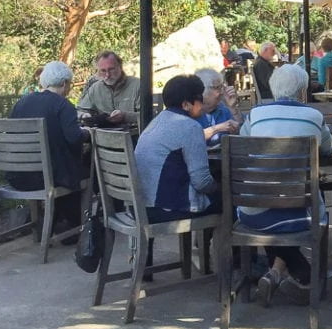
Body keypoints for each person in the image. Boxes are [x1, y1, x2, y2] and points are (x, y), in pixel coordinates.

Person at [239, 63, 332, 306]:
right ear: (303, 92)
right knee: (301, 207)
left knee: (276, 204)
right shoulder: (313, 116)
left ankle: (277, 272)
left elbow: (242, 142)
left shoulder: (255, 114)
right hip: (298, 214)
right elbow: (329, 148)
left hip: (252, 213)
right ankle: (305, 277)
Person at [9, 61, 90, 232]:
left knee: (60, 165)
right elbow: (74, 138)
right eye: (70, 84)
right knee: (87, 171)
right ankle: (73, 228)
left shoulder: (21, 103)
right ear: (64, 83)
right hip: (46, 179)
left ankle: (49, 224)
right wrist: (87, 133)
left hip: (17, 177)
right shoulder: (63, 105)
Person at [134, 74, 220, 223]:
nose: (203, 101)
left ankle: (202, 245)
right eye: (200, 98)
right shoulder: (190, 127)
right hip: (166, 209)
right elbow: (202, 182)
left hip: (140, 206)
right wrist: (219, 186)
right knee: (228, 201)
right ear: (186, 104)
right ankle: (216, 246)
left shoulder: (156, 121)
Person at [77, 51, 140, 129]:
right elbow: (80, 110)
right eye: (103, 71)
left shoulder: (137, 85)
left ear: (120, 67)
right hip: (102, 136)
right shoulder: (95, 88)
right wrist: (84, 115)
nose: (107, 75)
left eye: (111, 69)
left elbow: (148, 115)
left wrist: (125, 116)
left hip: (133, 136)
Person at [193, 68, 241, 144]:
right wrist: (217, 129)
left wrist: (232, 107)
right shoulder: (190, 112)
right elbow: (190, 138)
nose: (222, 92)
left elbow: (241, 134)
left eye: (222, 87)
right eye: (217, 88)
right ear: (202, 90)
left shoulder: (222, 109)